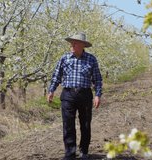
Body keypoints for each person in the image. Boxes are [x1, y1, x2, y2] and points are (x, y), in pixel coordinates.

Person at [47, 32, 103, 160]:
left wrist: (98, 95)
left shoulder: (91, 59)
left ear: (82, 45)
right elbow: (57, 76)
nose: (72, 45)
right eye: (71, 42)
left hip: (85, 94)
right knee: (68, 125)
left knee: (85, 124)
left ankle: (84, 151)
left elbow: (97, 79)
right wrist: (51, 90)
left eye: (75, 42)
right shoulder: (64, 58)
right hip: (68, 94)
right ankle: (70, 153)